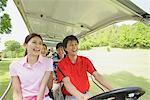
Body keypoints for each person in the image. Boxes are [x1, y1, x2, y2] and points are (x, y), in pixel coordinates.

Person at [57, 35, 113, 100]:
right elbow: (67, 83)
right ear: (65, 48)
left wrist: (113, 90)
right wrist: (81, 96)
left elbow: (97, 75)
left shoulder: (85, 60)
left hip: (87, 94)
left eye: (76, 44)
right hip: (72, 97)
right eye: (71, 45)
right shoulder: (62, 64)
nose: (74, 47)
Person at [9, 33, 53, 100]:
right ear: (25, 45)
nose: (38, 46)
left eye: (40, 43)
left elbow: (43, 86)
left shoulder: (48, 62)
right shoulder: (15, 65)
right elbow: (17, 92)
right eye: (34, 42)